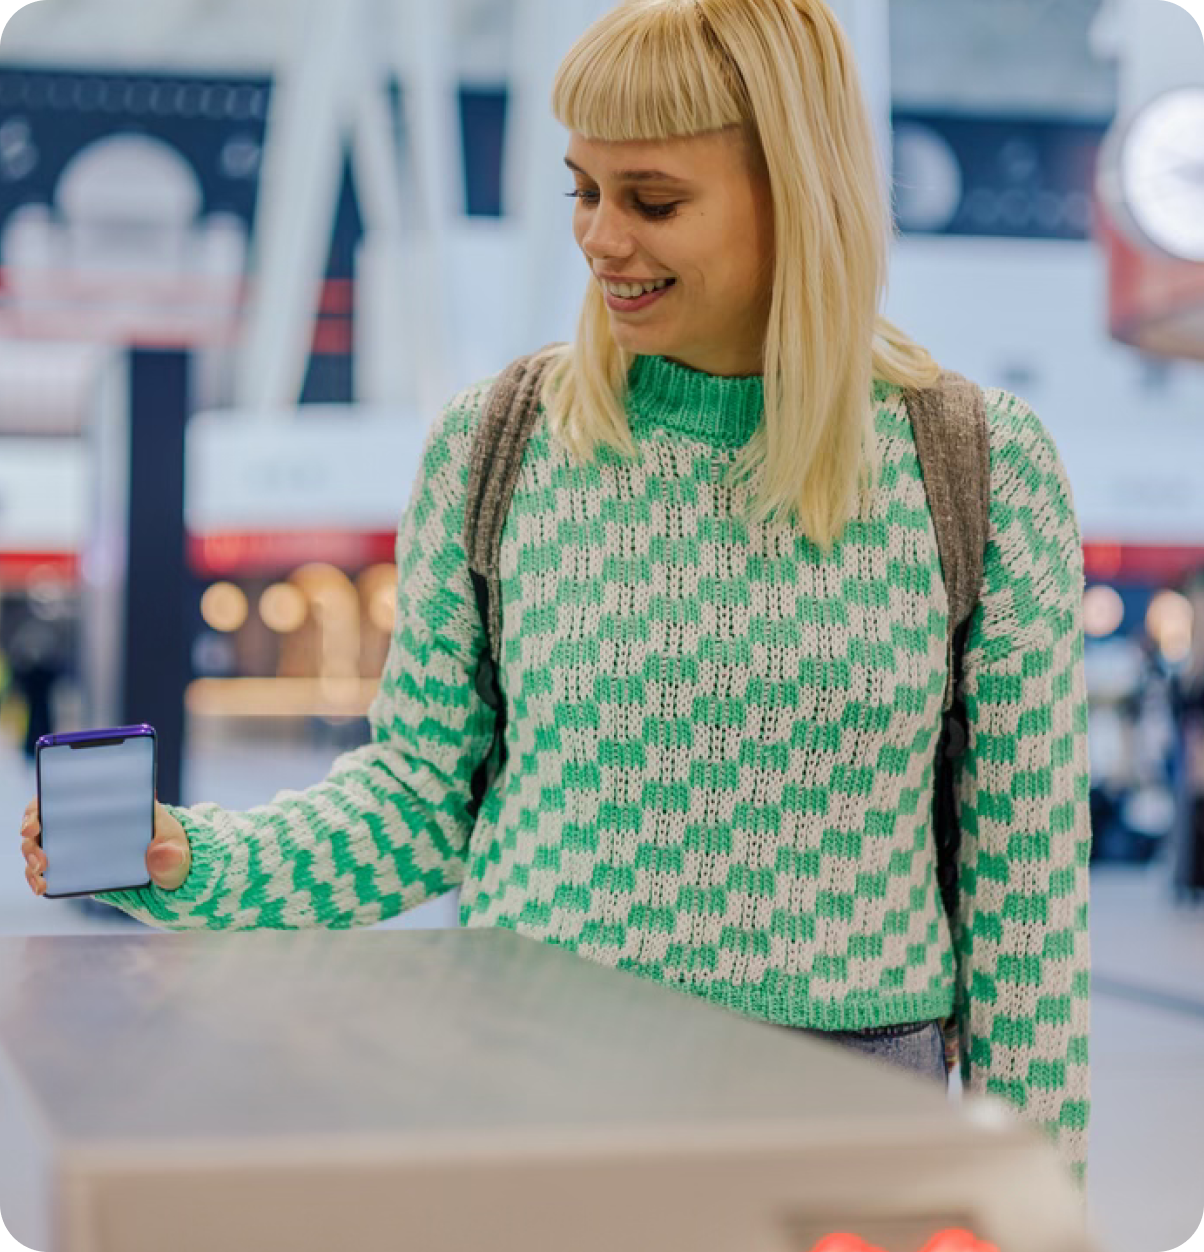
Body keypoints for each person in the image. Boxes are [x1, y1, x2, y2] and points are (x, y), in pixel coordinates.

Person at [19, 0, 1091, 1185]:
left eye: (652, 199)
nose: (599, 238)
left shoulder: (976, 465)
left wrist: (1035, 1203)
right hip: (531, 1093)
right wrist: (191, 860)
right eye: (581, 188)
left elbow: (1026, 901)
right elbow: (419, 796)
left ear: (796, 188)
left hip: (843, 1127)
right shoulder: (501, 442)